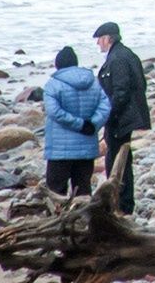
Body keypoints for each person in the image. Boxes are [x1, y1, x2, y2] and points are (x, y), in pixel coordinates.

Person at [92, 21, 150, 213]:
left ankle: (122, 204)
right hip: (126, 115)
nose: (98, 43)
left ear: (108, 38)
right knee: (121, 158)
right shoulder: (126, 54)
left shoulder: (117, 58)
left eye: (99, 39)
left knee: (117, 161)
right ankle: (122, 201)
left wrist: (109, 115)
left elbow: (121, 92)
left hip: (121, 118)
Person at [42, 46, 109, 199]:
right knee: (83, 189)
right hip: (86, 147)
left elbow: (54, 112)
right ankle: (83, 220)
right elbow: (105, 106)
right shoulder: (93, 82)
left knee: (56, 191)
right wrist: (92, 124)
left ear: (58, 65)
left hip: (59, 150)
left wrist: (78, 124)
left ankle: (58, 221)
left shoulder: (53, 84)